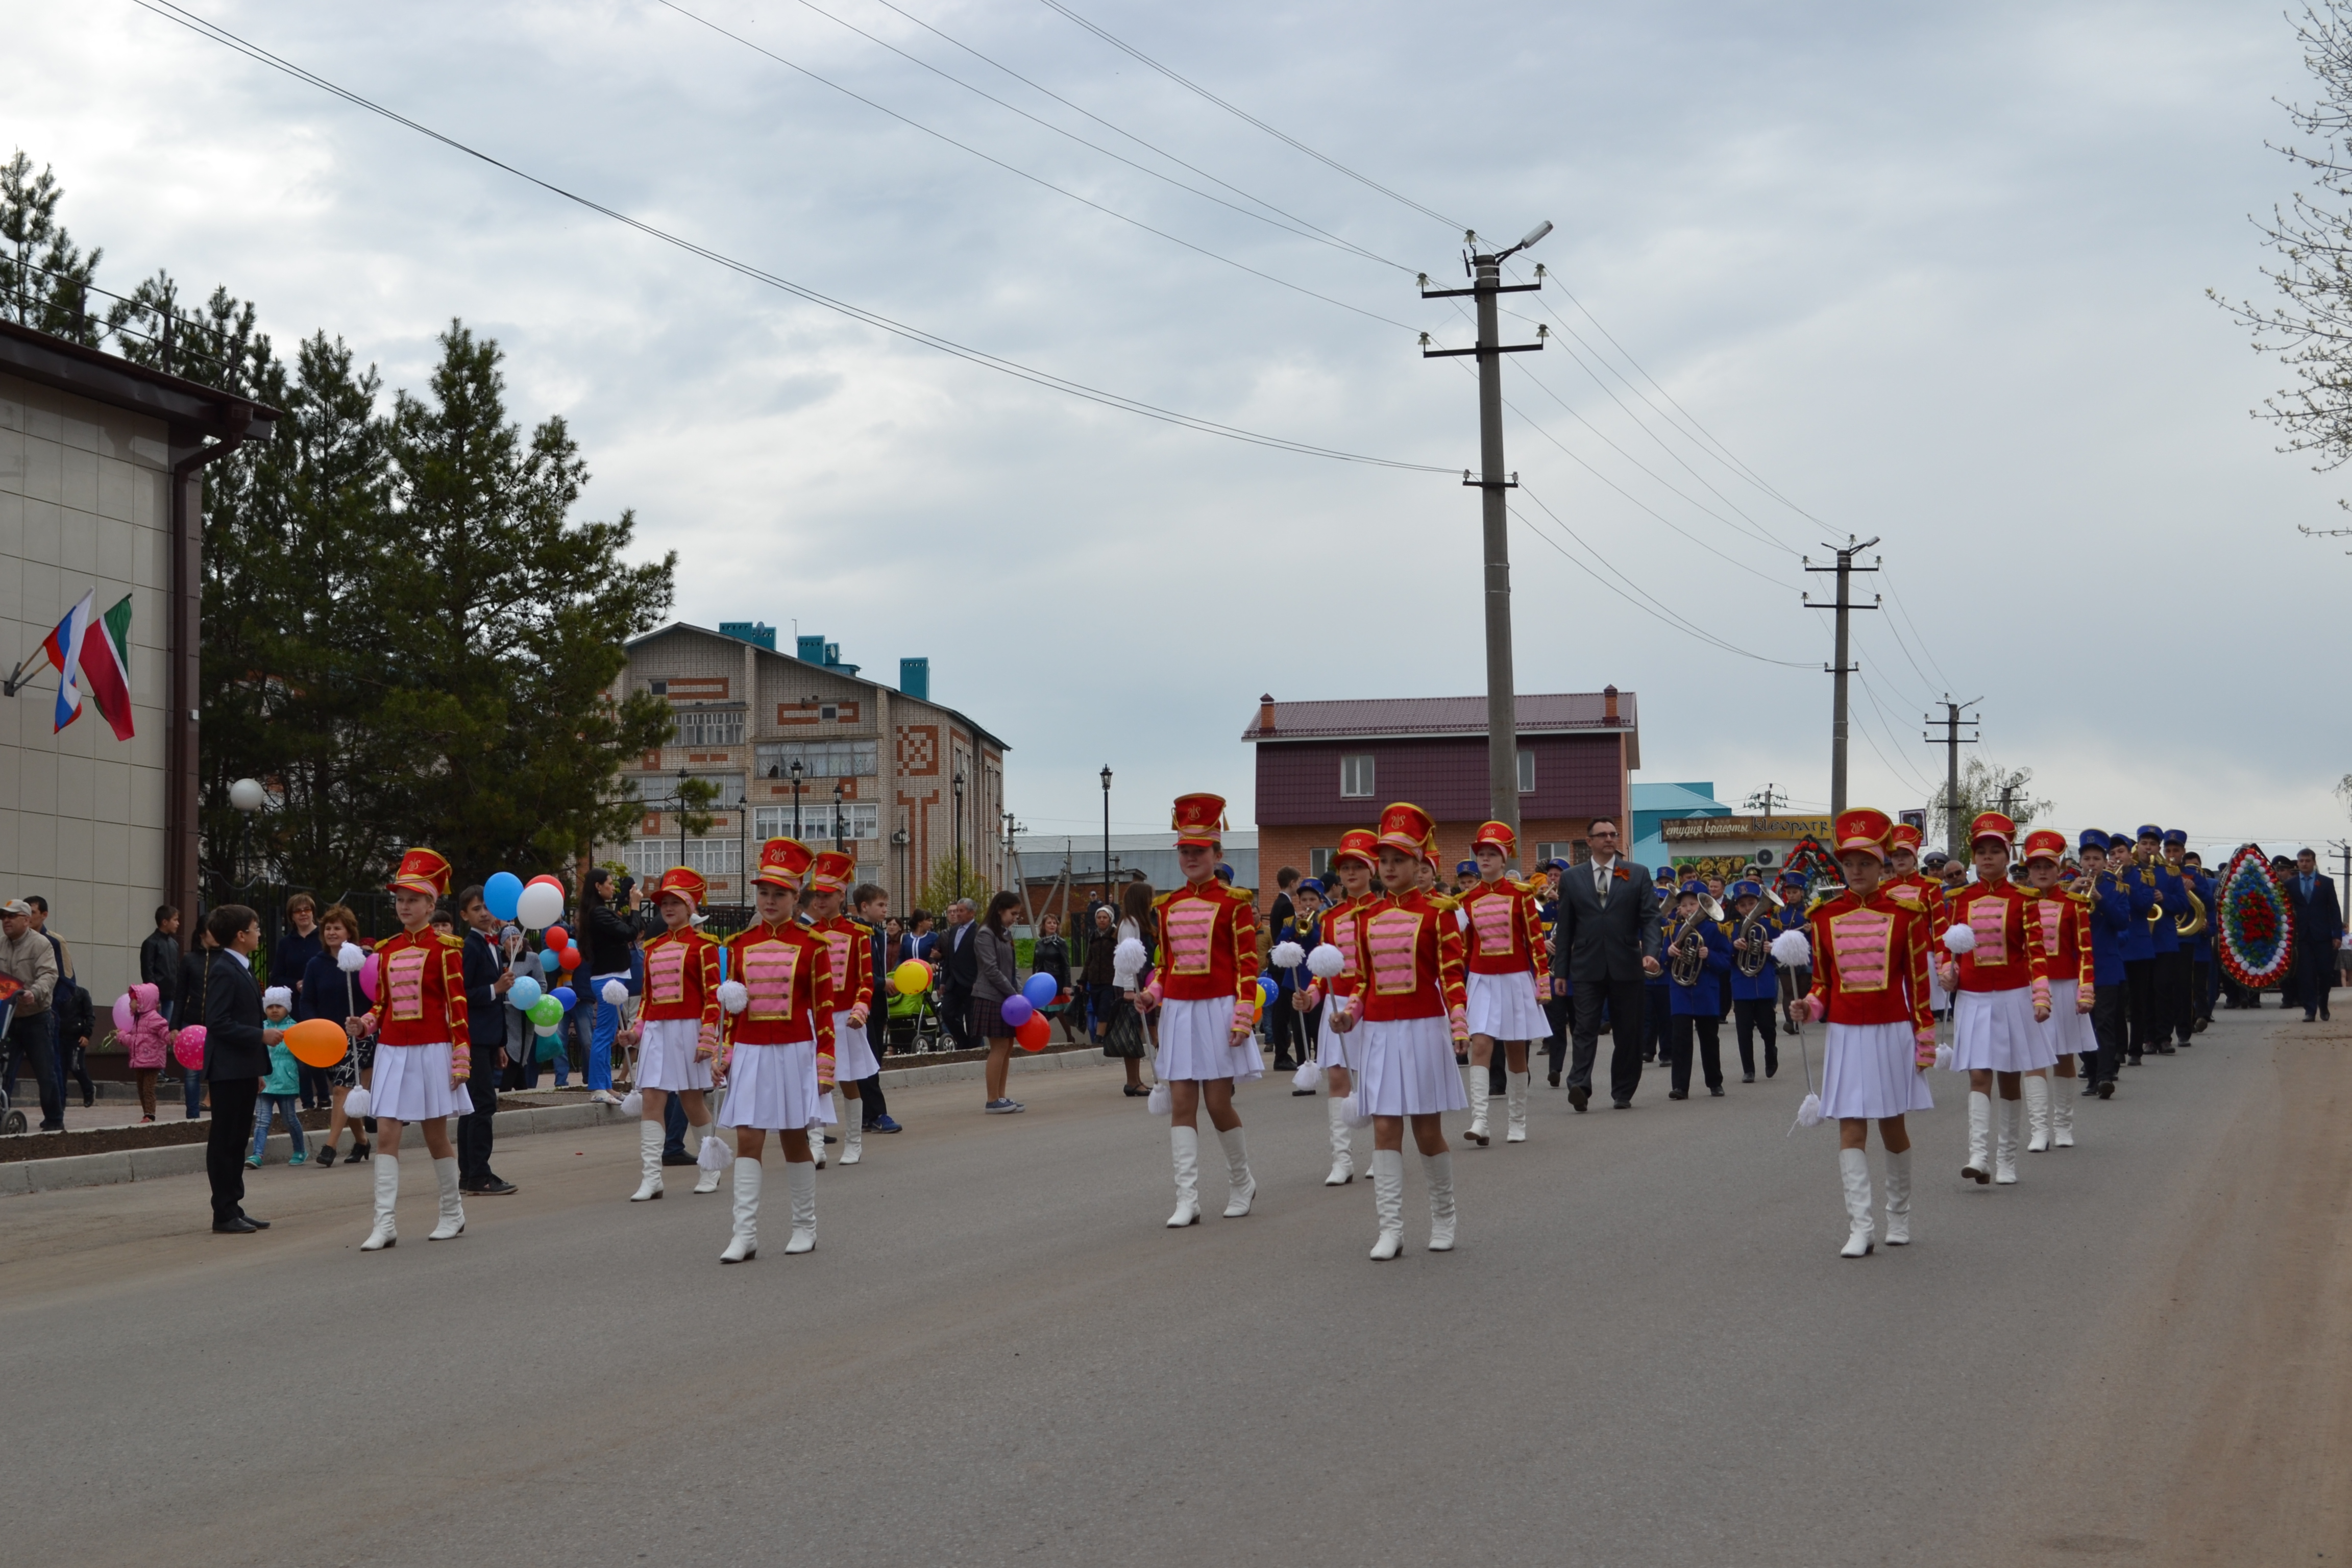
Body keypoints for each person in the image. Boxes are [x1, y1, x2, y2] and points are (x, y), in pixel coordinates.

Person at [1790, 809, 1935, 1257]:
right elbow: (1823, 984)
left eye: (1866, 863)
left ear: (1882, 865)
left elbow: (1919, 983)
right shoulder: (1823, 916)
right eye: (1850, 863)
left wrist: (1925, 1039)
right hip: (1847, 1034)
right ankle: (1861, 1227)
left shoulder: (1907, 914)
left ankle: (1899, 1217)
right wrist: (1809, 1007)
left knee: (1893, 1125)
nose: (1856, 871)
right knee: (1851, 1128)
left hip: (1892, 1032)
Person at [1327, 803, 1465, 1259]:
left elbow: (1452, 976)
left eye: (1399, 860)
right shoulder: (1363, 919)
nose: (1389, 868)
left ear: (1419, 862)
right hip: (1380, 1033)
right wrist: (1349, 1015)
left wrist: (1460, 1024)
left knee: (1426, 1129)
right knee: (1385, 1127)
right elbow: (1362, 982)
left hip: (1424, 1028)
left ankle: (1444, 1218)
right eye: (1383, 860)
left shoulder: (1439, 913)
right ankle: (1391, 1229)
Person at [1135, 793, 1261, 1227]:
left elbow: (1248, 966)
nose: (1191, 858)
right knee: (1182, 1102)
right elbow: (1165, 966)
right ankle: (1187, 1199)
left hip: (1219, 1011)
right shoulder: (1166, 907)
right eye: (1185, 851)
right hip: (1180, 1013)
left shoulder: (1235, 904)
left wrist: (1243, 1016)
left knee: (1218, 1103)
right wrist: (1152, 994)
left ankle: (1242, 1182)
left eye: (1200, 851)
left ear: (1217, 854)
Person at [716, 837, 839, 1262]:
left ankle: (805, 1227)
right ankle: (744, 1235)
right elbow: (731, 1010)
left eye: (779, 894)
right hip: (750, 1051)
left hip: (794, 1052)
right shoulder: (738, 945)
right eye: (764, 892)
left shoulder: (814, 946)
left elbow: (824, 1010)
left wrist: (825, 1063)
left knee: (793, 1138)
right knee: (748, 1138)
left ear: (795, 897)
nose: (769, 901)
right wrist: (724, 1052)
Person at [349, 850, 474, 1251]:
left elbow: (458, 1007)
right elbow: (381, 1005)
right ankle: (384, 1224)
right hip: (392, 1051)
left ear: (431, 905)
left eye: (413, 900)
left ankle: (452, 1213)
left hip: (432, 1049)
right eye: (400, 900)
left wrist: (461, 1056)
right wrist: (365, 1024)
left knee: (436, 1136)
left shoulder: (447, 949)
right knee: (386, 1134)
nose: (404, 906)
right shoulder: (385, 950)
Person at [1938, 812, 2052, 1187]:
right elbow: (1949, 949)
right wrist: (1948, 974)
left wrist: (2041, 997)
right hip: (1972, 998)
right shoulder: (1959, 899)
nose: (1987, 857)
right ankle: (1978, 1156)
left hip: (2013, 996)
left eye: (1995, 851)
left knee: (2009, 1076)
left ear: (2008, 856)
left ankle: (2006, 1160)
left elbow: (2037, 952)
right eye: (1981, 851)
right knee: (1978, 1073)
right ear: (1974, 858)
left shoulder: (2024, 899)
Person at [619, 867, 724, 1200]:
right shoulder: (653, 946)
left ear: (691, 906)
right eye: (664, 902)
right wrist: (636, 1032)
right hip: (656, 1030)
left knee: (692, 1101)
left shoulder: (705, 946)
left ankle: (710, 1168)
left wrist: (708, 1037)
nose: (668, 908)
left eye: (675, 902)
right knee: (652, 1098)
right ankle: (652, 1178)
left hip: (690, 1029)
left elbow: (713, 996)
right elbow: (648, 998)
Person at [1547, 818, 1663, 1112]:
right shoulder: (1572, 878)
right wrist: (1561, 971)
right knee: (1584, 1028)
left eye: (1613, 834)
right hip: (1586, 966)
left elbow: (1651, 918)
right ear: (1589, 842)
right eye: (1602, 835)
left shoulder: (1636, 873)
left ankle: (1623, 1091)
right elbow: (1566, 927)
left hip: (1627, 964)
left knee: (1628, 1032)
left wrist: (1651, 952)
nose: (1609, 839)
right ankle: (1579, 1086)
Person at [1454, 822, 1547, 1144]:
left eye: (1492, 854)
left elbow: (1536, 941)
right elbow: (1463, 949)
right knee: (1480, 1044)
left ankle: (1517, 1121)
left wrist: (1542, 982)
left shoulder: (1521, 895)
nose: (1485, 859)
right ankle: (1480, 1120)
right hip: (1482, 980)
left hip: (1516, 978)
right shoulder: (1466, 900)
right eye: (1481, 853)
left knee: (1516, 1051)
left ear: (1504, 860)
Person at [1303, 829, 1379, 1183]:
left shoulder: (1385, 912)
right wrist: (1310, 997)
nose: (1350, 873)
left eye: (1358, 867)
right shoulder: (1330, 919)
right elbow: (1323, 973)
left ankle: (1382, 1152)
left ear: (1371, 870)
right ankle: (1342, 1160)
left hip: (1375, 1005)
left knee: (1375, 1078)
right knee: (1337, 1077)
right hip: (1338, 1006)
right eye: (1345, 868)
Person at [202, 905, 279, 1234]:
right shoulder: (224, 969)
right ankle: (223, 1213)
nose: (259, 933)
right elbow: (218, 1022)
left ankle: (234, 1206)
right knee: (226, 1141)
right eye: (255, 927)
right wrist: (261, 1036)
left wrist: (257, 1069)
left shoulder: (242, 967)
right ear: (240, 935)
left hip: (244, 1068)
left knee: (236, 1141)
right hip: (228, 1069)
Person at [2021, 831, 2095, 1148]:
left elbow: (2085, 952)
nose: (2042, 872)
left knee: (2064, 1055)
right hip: (2028, 988)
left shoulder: (2074, 904)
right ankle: (2039, 1131)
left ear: (2058, 869)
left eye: (2048, 866)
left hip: (2064, 986)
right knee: (2034, 1057)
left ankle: (2063, 1126)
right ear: (2028, 870)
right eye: (2036, 866)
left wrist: (2085, 990)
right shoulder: (2019, 903)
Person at [800, 853, 877, 1156]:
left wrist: (861, 1009)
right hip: (814, 1019)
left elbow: (866, 980)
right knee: (815, 1081)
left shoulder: (858, 934)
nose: (820, 901)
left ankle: (854, 1144)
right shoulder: (807, 936)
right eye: (817, 895)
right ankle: (816, 1146)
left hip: (846, 1018)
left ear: (841, 896)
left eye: (827, 895)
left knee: (847, 1080)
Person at [455, 887, 518, 1197]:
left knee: (472, 1107)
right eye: (476, 909)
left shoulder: (492, 944)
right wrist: (496, 988)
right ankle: (479, 1175)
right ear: (464, 915)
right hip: (474, 1038)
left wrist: (500, 1044)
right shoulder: (470, 947)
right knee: (482, 1105)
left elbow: (496, 1004)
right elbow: (462, 995)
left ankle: (469, 1175)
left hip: (488, 1039)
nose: (484, 913)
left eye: (487, 907)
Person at [300, 905, 373, 1166]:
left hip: (362, 1036)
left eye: (337, 928)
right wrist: (314, 1026)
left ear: (349, 932)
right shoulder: (316, 965)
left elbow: (378, 997)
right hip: (330, 1039)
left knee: (342, 1089)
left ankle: (329, 1147)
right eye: (328, 928)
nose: (331, 932)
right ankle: (362, 1141)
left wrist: (365, 1024)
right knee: (347, 1094)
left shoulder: (364, 961)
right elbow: (307, 1001)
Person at [2072, 834, 2136, 1099]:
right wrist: (2071, 894)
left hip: (2106, 965)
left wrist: (2100, 899)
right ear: (2080, 862)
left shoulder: (2116, 889)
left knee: (2104, 1023)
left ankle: (2105, 1077)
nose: (2092, 863)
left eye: (2097, 859)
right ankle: (2092, 1072)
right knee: (2081, 1025)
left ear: (2104, 861)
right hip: (2076, 967)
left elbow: (2122, 922)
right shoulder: (2068, 889)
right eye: (2087, 859)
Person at [1660, 880, 1732, 1099]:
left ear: (1704, 905)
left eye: (1693, 904)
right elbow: (1663, 961)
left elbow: (1726, 962)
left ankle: (1715, 1082)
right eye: (1684, 905)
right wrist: (1669, 953)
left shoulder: (1715, 929)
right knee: (1680, 1039)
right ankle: (1680, 1087)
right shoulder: (1672, 931)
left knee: (1709, 1039)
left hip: (1706, 991)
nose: (1688, 909)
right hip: (1680, 991)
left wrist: (1709, 955)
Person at [579, 868, 645, 1099]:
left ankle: (606, 1086)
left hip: (613, 978)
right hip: (608, 980)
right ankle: (598, 1087)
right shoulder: (597, 913)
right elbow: (630, 933)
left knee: (608, 1034)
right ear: (598, 886)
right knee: (604, 1034)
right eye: (609, 883)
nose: (612, 887)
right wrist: (635, 906)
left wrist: (627, 903)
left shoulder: (599, 912)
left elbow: (623, 929)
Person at [1, 899, 64, 1130]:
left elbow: (49, 975)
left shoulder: (41, 944)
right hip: (7, 1019)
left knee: (45, 1074)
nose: (6, 921)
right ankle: (3, 1115)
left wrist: (34, 992)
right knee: (4, 1072)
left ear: (26, 920)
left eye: (12, 916)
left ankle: (54, 1122)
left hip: (36, 1018)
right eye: (3, 917)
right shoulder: (1, 945)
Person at [851, 883, 901, 1134]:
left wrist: (889, 983)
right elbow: (858, 971)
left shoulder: (879, 934)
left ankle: (866, 1115)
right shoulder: (855, 933)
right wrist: (882, 983)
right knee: (867, 1061)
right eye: (880, 905)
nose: (885, 910)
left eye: (885, 905)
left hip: (879, 1004)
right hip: (862, 1005)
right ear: (864, 906)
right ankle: (877, 1114)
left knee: (876, 1058)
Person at [971, 890, 1024, 1113]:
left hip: (1008, 999)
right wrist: (1014, 994)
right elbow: (991, 970)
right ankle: (992, 1099)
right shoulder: (986, 934)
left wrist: (1020, 993)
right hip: (991, 998)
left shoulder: (1005, 934)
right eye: (1013, 913)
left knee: (1008, 1046)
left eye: (1018, 915)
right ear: (1000, 910)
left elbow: (1013, 969)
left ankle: (1002, 1097)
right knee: (999, 1046)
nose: (1015, 918)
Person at [1724, 879, 1780, 1082]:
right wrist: (1733, 947)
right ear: (1737, 908)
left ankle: (1771, 1052)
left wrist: (1772, 949)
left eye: (1751, 904)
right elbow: (1723, 957)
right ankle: (1748, 1069)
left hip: (1764, 983)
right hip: (1742, 985)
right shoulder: (1731, 929)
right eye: (1743, 905)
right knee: (1744, 1030)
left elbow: (1782, 955)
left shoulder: (1770, 925)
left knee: (1768, 1027)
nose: (1748, 908)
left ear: (1758, 903)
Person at [272, 893, 326, 1108]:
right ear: (292, 916)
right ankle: (307, 1101)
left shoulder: (323, 937)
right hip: (296, 1004)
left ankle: (324, 1096)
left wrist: (314, 982)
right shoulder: (286, 943)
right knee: (302, 1055)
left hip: (321, 1003)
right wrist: (296, 983)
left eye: (307, 909)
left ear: (313, 912)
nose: (303, 914)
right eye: (298, 911)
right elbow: (276, 976)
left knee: (318, 1050)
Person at [247, 988, 308, 1168]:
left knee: (289, 1118)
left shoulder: (295, 1028)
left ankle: (300, 1150)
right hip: (264, 1080)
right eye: (270, 1006)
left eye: (279, 1006)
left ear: (287, 1008)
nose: (274, 1010)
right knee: (262, 1119)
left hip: (286, 1081)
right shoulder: (260, 1028)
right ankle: (257, 1154)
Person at [1267, 879, 1322, 1075]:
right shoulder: (1291, 921)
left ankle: (1322, 1065)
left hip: (1317, 982)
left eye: (1312, 900)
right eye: (1304, 900)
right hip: (1296, 981)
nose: (1308, 904)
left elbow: (1321, 941)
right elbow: (1280, 943)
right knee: (1300, 1032)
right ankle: (1304, 1071)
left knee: (1317, 1028)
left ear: (1320, 902)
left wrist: (1312, 927)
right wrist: (1294, 927)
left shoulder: (1325, 922)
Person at [174, 925, 217, 1118]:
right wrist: (174, 1026)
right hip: (191, 1022)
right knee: (191, 1072)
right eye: (212, 930)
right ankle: (192, 1116)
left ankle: (218, 1113)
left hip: (216, 1023)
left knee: (216, 1071)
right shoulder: (190, 960)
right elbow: (180, 995)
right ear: (202, 934)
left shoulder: (223, 959)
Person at [123, 981, 170, 1120]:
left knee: (148, 1089)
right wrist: (122, 1037)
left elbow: (165, 1033)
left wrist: (171, 1037)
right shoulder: (137, 1020)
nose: (130, 1004)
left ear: (142, 1002)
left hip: (153, 1061)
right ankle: (146, 1114)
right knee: (141, 1089)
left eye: (133, 1000)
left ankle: (150, 1115)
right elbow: (133, 1041)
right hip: (140, 1061)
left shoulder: (155, 1019)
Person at [1031, 912, 1080, 1043]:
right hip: (1042, 982)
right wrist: (1034, 982)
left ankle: (1070, 1038)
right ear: (1044, 926)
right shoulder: (1039, 944)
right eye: (1049, 923)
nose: (1052, 925)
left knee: (1059, 1012)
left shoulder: (1061, 943)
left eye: (1055, 923)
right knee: (1040, 1011)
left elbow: (1066, 965)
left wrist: (1067, 984)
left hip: (1057, 981)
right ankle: (1039, 1039)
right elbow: (1036, 964)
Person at [938, 898, 979, 1051]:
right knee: (947, 1013)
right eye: (956, 911)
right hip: (953, 982)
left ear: (972, 913)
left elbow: (981, 960)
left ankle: (974, 1049)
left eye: (961, 911)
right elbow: (949, 959)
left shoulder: (978, 931)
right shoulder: (954, 931)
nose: (958, 914)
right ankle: (963, 1041)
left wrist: (978, 980)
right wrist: (943, 982)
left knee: (972, 1019)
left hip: (971, 983)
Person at [141, 905, 182, 1027]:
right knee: (156, 1029)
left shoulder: (174, 945)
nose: (178, 923)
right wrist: (153, 996)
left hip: (171, 996)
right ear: (165, 922)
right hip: (156, 997)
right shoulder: (151, 943)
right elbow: (148, 972)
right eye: (175, 920)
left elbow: (176, 970)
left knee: (167, 1030)